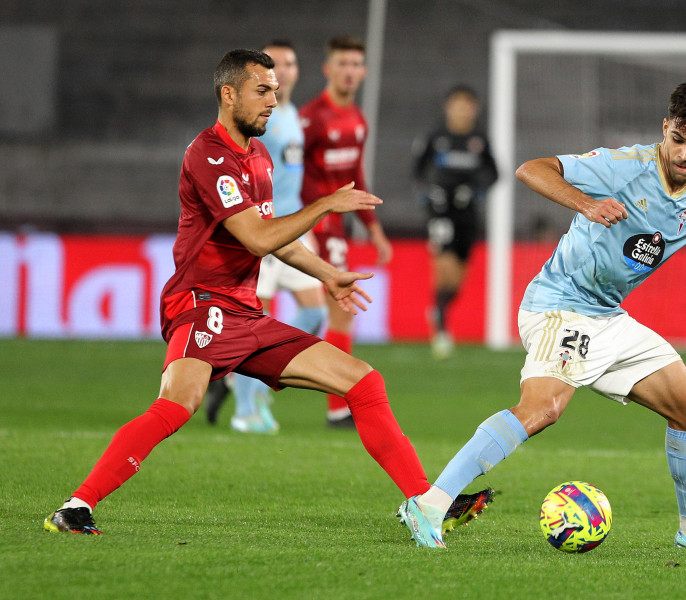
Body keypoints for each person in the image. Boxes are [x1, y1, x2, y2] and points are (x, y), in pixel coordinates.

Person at [43, 48, 492, 537]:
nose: (273, 101)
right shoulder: (206, 155)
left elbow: (275, 235)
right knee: (178, 403)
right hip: (202, 305)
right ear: (228, 93)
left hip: (246, 313)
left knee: (364, 382)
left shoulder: (257, 156)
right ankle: (76, 505)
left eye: (275, 91)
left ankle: (422, 502)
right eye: (262, 90)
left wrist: (326, 273)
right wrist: (325, 205)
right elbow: (255, 238)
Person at [398, 80, 686, 550]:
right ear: (665, 128)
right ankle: (428, 505)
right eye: (678, 139)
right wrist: (586, 203)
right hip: (559, 306)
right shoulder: (621, 167)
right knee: (542, 409)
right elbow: (531, 170)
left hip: (607, 315)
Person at [205, 40, 329, 434]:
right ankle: (246, 409)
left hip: (289, 228)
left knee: (316, 312)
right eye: (276, 65)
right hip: (262, 228)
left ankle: (247, 375)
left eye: (290, 64)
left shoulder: (291, 114)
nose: (285, 71)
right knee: (251, 323)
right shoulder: (257, 117)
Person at [298, 35, 393, 429]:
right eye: (343, 63)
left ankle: (239, 380)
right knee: (337, 310)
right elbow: (290, 173)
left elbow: (355, 177)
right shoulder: (310, 118)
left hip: (337, 227)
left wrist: (374, 229)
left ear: (364, 71)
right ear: (328, 68)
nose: (350, 71)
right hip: (310, 223)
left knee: (335, 312)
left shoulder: (357, 120)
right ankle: (337, 407)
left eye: (356, 64)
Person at [412, 85, 498, 359]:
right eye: (457, 105)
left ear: (475, 109)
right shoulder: (436, 136)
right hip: (441, 212)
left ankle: (440, 307)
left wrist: (476, 191)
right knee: (444, 266)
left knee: (459, 277)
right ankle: (440, 326)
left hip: (468, 212)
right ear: (448, 107)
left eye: (467, 105)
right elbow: (417, 170)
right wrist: (428, 194)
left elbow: (494, 173)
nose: (462, 110)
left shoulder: (479, 139)